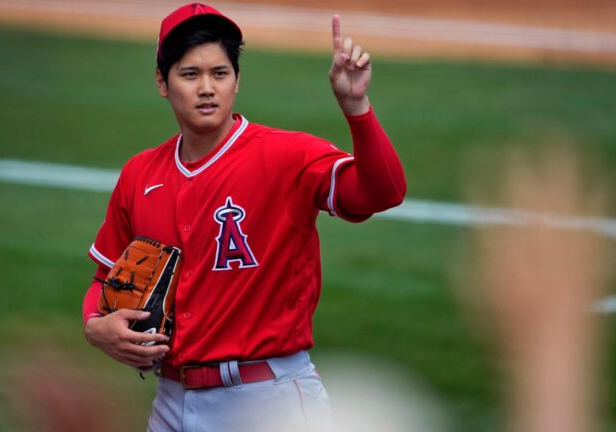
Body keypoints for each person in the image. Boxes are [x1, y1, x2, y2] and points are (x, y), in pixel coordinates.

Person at [81, 3, 406, 431]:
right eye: (190, 74)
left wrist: (357, 108)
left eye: (220, 73)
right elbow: (105, 279)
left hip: (268, 401)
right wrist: (95, 327)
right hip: (170, 402)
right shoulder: (140, 174)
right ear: (162, 82)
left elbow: (381, 193)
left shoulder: (286, 156)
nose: (207, 88)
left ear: (237, 81)